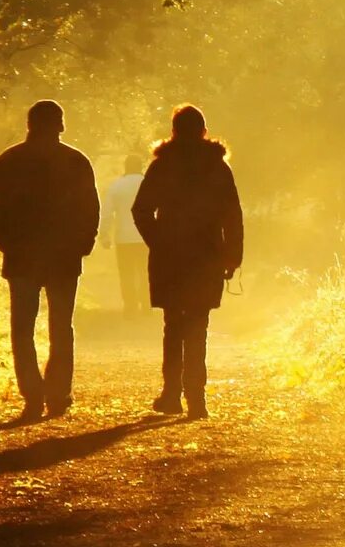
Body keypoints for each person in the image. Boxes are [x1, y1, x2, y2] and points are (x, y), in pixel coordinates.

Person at [0, 100, 99, 422]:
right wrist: (82, 245)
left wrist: (8, 245)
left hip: (22, 258)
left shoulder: (10, 161)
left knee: (23, 328)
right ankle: (58, 394)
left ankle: (33, 396)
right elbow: (90, 209)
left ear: (29, 124)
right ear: (60, 124)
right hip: (63, 259)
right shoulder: (76, 161)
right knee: (61, 327)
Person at [131, 105, 242, 420]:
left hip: (170, 258)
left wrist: (158, 240)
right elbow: (232, 215)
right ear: (204, 131)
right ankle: (197, 399)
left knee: (173, 326)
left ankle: (171, 395)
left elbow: (140, 210)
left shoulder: (162, 166)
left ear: (174, 131)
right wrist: (232, 255)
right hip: (206, 257)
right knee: (198, 326)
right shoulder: (218, 167)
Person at [103, 165, 149, 312]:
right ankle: (147, 305)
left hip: (124, 237)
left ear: (126, 168)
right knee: (145, 271)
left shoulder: (117, 186)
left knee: (126, 273)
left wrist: (104, 235)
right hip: (146, 237)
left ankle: (130, 306)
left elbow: (107, 214)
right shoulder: (148, 183)